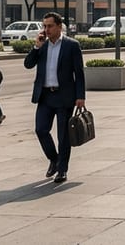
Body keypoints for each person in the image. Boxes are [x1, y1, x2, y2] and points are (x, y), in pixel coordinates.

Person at [24, 12, 85, 183]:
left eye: (50, 26)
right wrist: (36, 47)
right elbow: (28, 64)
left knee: (63, 135)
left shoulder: (72, 45)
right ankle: (54, 159)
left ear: (59, 26)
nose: (46, 29)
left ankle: (62, 170)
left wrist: (80, 96)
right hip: (45, 96)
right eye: (44, 26)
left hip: (64, 96)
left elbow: (79, 74)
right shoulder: (41, 45)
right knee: (41, 130)